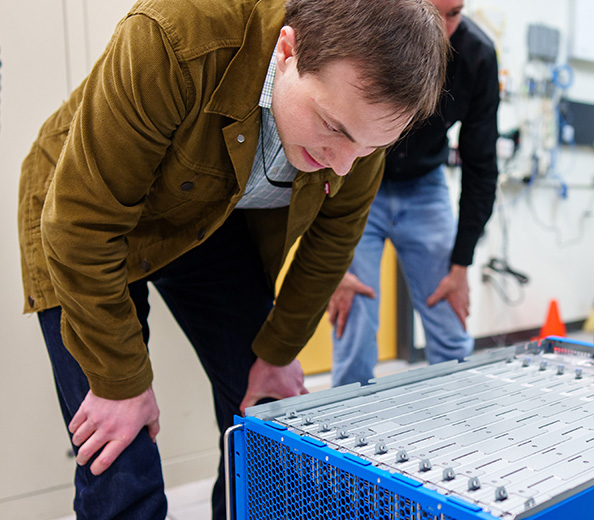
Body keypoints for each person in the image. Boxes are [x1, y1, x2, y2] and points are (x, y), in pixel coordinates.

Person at [17, 0, 448, 518]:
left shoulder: (359, 123)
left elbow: (331, 241)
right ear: (288, 50)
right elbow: (82, 223)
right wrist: (120, 383)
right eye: (333, 128)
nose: (342, 163)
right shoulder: (177, 35)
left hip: (208, 221)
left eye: (367, 148)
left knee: (266, 416)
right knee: (119, 448)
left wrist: (280, 351)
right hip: (85, 220)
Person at [326, 0, 499, 387]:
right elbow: (324, 140)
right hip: (356, 182)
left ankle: (459, 432)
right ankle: (346, 440)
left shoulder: (477, 57)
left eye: (453, 14)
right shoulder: (368, 34)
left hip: (425, 187)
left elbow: (481, 166)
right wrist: (329, 268)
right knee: (355, 322)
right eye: (430, 11)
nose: (439, 27)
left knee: (450, 325)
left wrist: (461, 264)